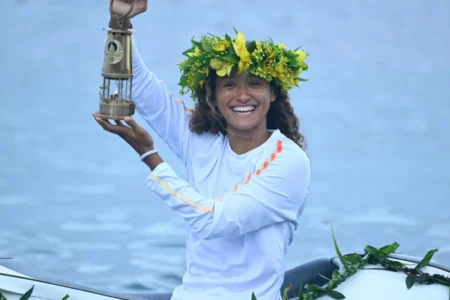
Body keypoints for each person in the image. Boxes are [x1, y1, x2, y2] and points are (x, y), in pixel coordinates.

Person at [93, 1, 311, 299]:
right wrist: (120, 22)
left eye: (255, 84)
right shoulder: (202, 140)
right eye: (230, 85)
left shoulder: (289, 162)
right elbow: (141, 87)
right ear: (214, 95)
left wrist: (150, 156)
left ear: (273, 93)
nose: (242, 96)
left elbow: (215, 220)